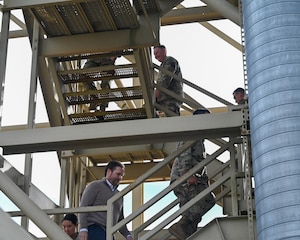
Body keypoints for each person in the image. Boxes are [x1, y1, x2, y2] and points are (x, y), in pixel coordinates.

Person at [168, 109, 216, 240]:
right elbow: (184, 155)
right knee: (208, 200)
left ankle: (186, 229)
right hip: (184, 178)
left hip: (187, 178)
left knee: (191, 206)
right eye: (206, 119)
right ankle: (182, 225)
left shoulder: (198, 136)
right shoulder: (191, 133)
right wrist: (188, 174)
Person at [78, 161, 133, 240]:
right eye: (118, 174)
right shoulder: (95, 186)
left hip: (109, 232)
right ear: (109, 172)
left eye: (122, 175)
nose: (120, 178)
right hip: (94, 228)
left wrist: (128, 235)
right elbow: (83, 207)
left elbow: (120, 219)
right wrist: (83, 229)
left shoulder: (119, 195)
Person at [153, 45, 184, 116]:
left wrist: (158, 90)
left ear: (164, 50)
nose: (156, 56)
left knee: (173, 119)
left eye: (157, 53)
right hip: (164, 97)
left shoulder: (170, 61)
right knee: (149, 107)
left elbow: (166, 78)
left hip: (171, 97)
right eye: (154, 54)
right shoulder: (162, 65)